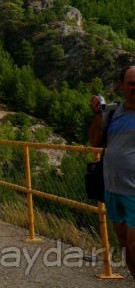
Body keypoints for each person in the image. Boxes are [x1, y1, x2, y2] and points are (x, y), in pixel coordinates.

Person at [89, 65, 135, 280]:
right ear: (121, 85)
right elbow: (94, 141)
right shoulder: (114, 112)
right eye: (131, 83)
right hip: (113, 189)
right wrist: (98, 114)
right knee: (125, 245)